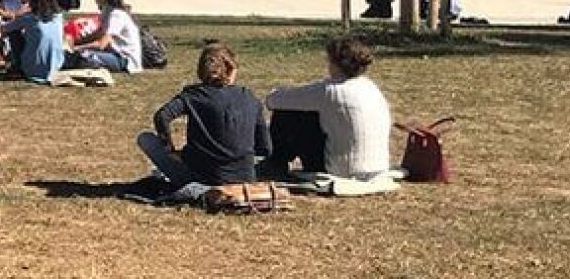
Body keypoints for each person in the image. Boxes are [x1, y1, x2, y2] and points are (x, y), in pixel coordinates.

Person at [262, 36, 394, 181]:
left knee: (288, 114)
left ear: (336, 63)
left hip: (342, 170)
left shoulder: (330, 90)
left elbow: (273, 101)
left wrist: (280, 90)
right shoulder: (371, 87)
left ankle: (276, 164)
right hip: (378, 167)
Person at [138, 42, 270, 186]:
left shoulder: (194, 95)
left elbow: (162, 116)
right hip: (245, 177)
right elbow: (265, 148)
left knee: (145, 139)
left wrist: (170, 150)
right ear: (231, 68)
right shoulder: (249, 97)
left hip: (204, 178)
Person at [63, 0, 142, 73]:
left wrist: (76, 48)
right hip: (113, 54)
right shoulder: (107, 11)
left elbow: (101, 44)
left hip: (124, 59)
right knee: (77, 55)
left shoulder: (117, 15)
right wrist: (76, 41)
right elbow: (98, 34)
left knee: (84, 56)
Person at [0, 0, 65, 84]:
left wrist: (16, 15)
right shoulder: (58, 17)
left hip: (31, 67)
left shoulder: (29, 18)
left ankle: (16, 65)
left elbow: (5, 28)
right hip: (57, 65)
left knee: (14, 33)